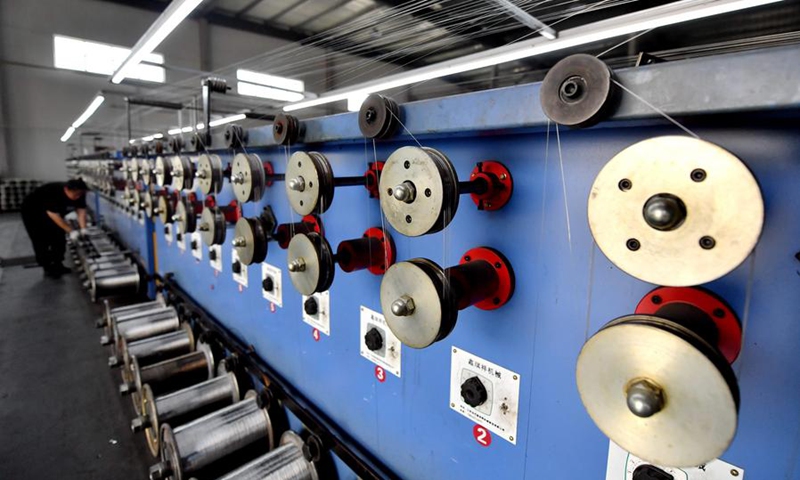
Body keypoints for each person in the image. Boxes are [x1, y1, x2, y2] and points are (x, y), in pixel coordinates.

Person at [21, 178, 88, 277]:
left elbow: (81, 211)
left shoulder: (80, 193)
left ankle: (58, 264)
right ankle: (47, 267)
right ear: (66, 190)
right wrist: (71, 231)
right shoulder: (53, 193)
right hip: (32, 212)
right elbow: (54, 216)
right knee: (40, 239)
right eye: (75, 194)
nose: (78, 197)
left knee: (59, 236)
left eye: (80, 194)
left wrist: (83, 229)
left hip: (53, 212)